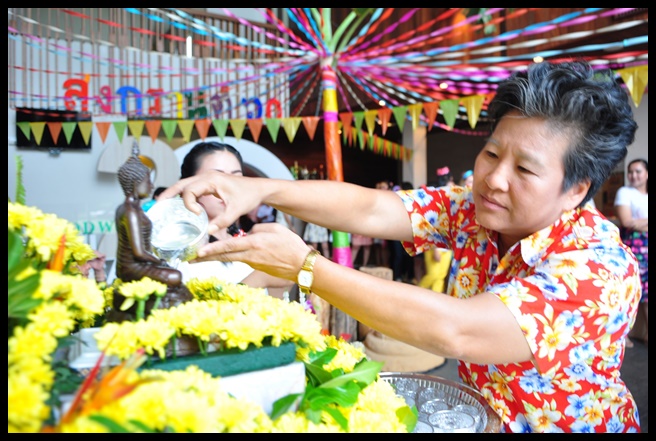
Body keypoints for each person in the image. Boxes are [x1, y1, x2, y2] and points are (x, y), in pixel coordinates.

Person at [161, 61, 642, 432]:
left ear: (576, 190)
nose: (492, 179)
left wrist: (305, 267)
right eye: (492, 152)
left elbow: (459, 332)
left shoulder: (597, 267)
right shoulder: (475, 211)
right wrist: (262, 190)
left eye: (525, 170)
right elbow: (374, 209)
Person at [175, 140, 294, 297]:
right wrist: (257, 280)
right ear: (188, 185)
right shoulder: (177, 247)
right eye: (217, 179)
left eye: (236, 179)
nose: (228, 188)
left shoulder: (251, 241)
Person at [614, 158, 648, 346]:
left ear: (647, 173)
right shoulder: (624, 192)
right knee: (629, 290)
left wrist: (640, 223)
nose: (633, 175)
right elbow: (627, 222)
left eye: (638, 171)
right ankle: (622, 336)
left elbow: (634, 222)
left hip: (646, 246)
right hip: (633, 245)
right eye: (630, 171)